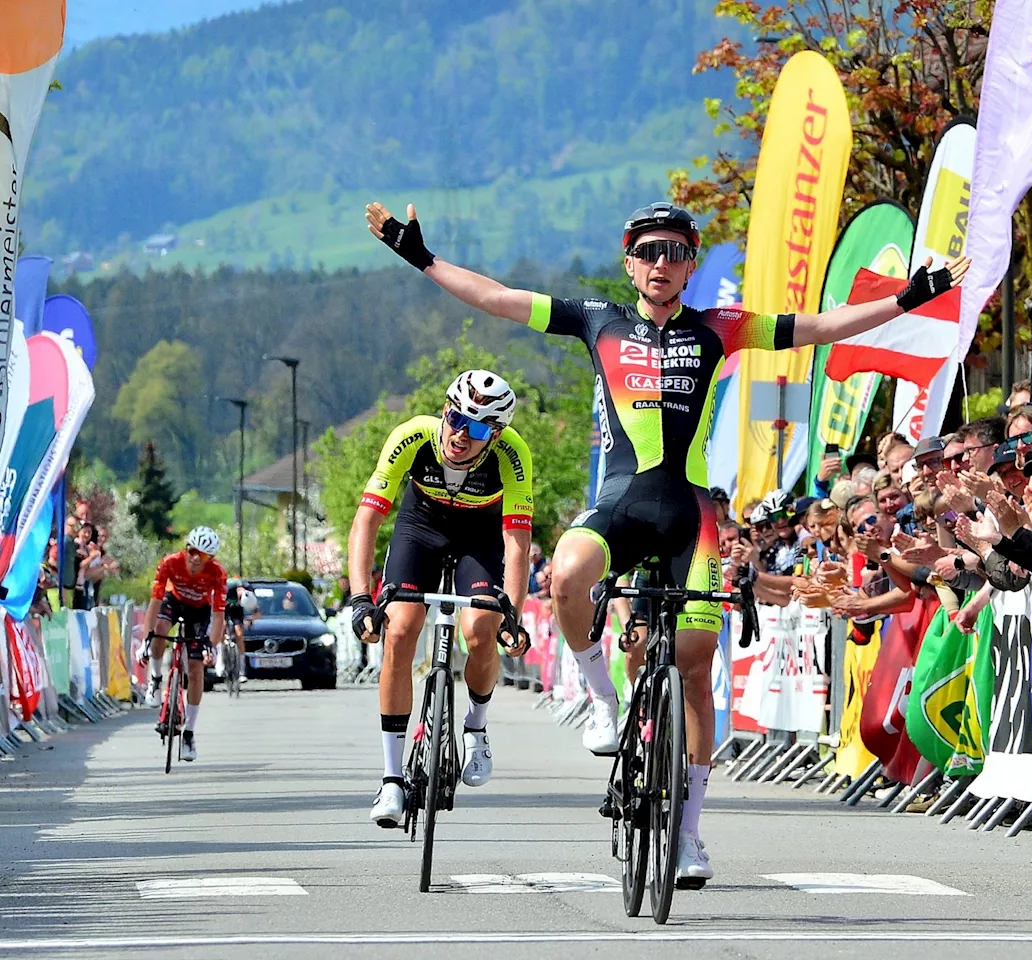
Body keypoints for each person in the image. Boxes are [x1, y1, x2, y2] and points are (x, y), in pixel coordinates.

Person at [365, 196, 968, 884]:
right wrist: (420, 257)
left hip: (688, 514)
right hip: (620, 506)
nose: (662, 263)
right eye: (649, 252)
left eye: (676, 253)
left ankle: (688, 836)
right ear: (629, 264)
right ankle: (601, 695)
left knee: (692, 664)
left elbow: (823, 325)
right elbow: (498, 298)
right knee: (565, 578)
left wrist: (913, 295)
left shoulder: (719, 328)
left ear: (689, 267)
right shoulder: (598, 320)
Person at [346, 369, 534, 829]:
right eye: (455, 418)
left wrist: (512, 610)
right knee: (401, 629)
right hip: (420, 527)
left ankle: (476, 726)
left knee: (482, 628)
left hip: (479, 535)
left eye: (476, 428)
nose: (460, 435)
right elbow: (365, 522)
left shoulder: (513, 453)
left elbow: (516, 543)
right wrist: (359, 598)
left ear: (495, 434)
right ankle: (392, 779)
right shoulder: (413, 436)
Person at [142, 527, 228, 762]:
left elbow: (218, 616)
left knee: (196, 669)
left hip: (199, 612)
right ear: (186, 548)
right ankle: (156, 679)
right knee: (160, 630)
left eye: (202, 556)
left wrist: (212, 647)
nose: (194, 558)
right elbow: (155, 601)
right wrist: (147, 638)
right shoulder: (170, 562)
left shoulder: (218, 573)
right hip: (174, 602)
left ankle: (189, 732)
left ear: (210, 558)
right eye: (192, 551)